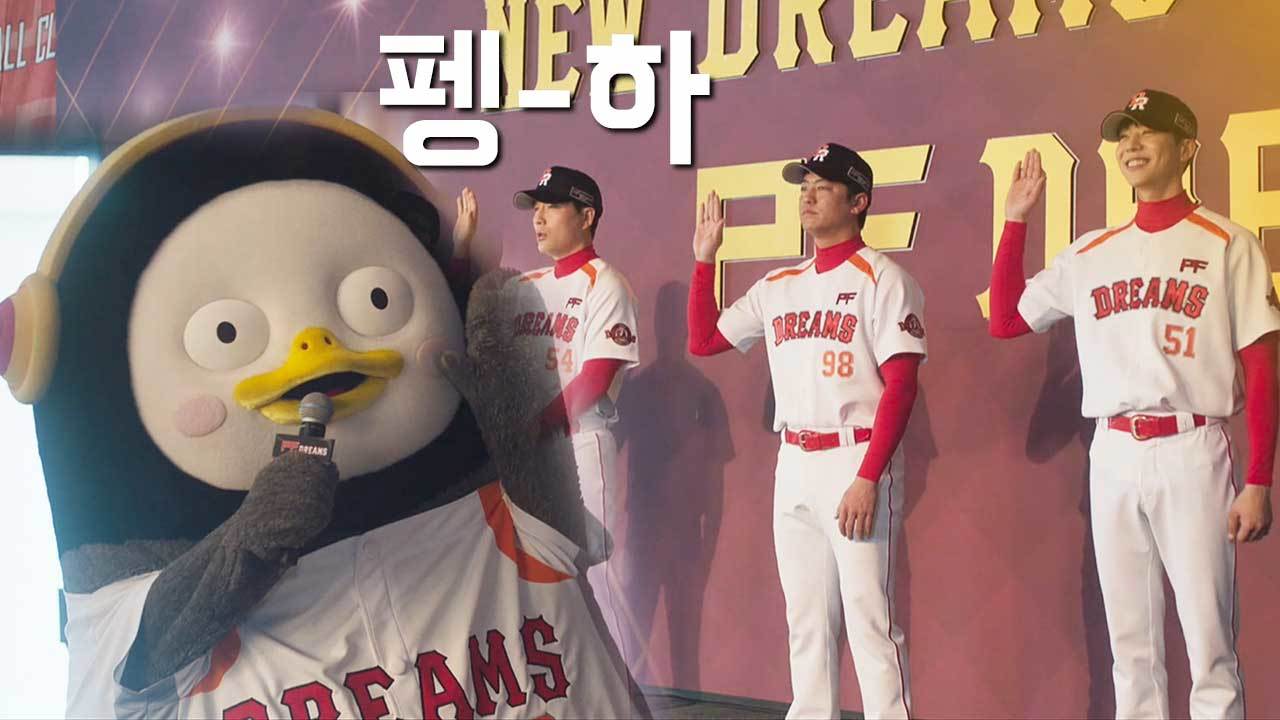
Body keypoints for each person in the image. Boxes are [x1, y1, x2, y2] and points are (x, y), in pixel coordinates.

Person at [989, 89, 1278, 719]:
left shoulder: (1227, 242)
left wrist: (1258, 479)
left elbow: (1261, 365)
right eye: (1124, 134)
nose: (1132, 143)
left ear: (1187, 148)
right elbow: (1007, 319)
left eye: (1148, 131)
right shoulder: (1091, 252)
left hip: (1192, 446)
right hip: (1114, 451)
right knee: (1131, 646)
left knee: (1209, 643)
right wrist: (1015, 221)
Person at [687, 142, 923, 719]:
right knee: (806, 620)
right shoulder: (780, 284)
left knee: (871, 620)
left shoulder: (883, 278)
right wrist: (704, 259)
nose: (808, 195)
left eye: (823, 185)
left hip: (854, 456)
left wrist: (868, 477)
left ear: (858, 201)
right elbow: (705, 340)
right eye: (804, 185)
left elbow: (901, 386)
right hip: (793, 458)